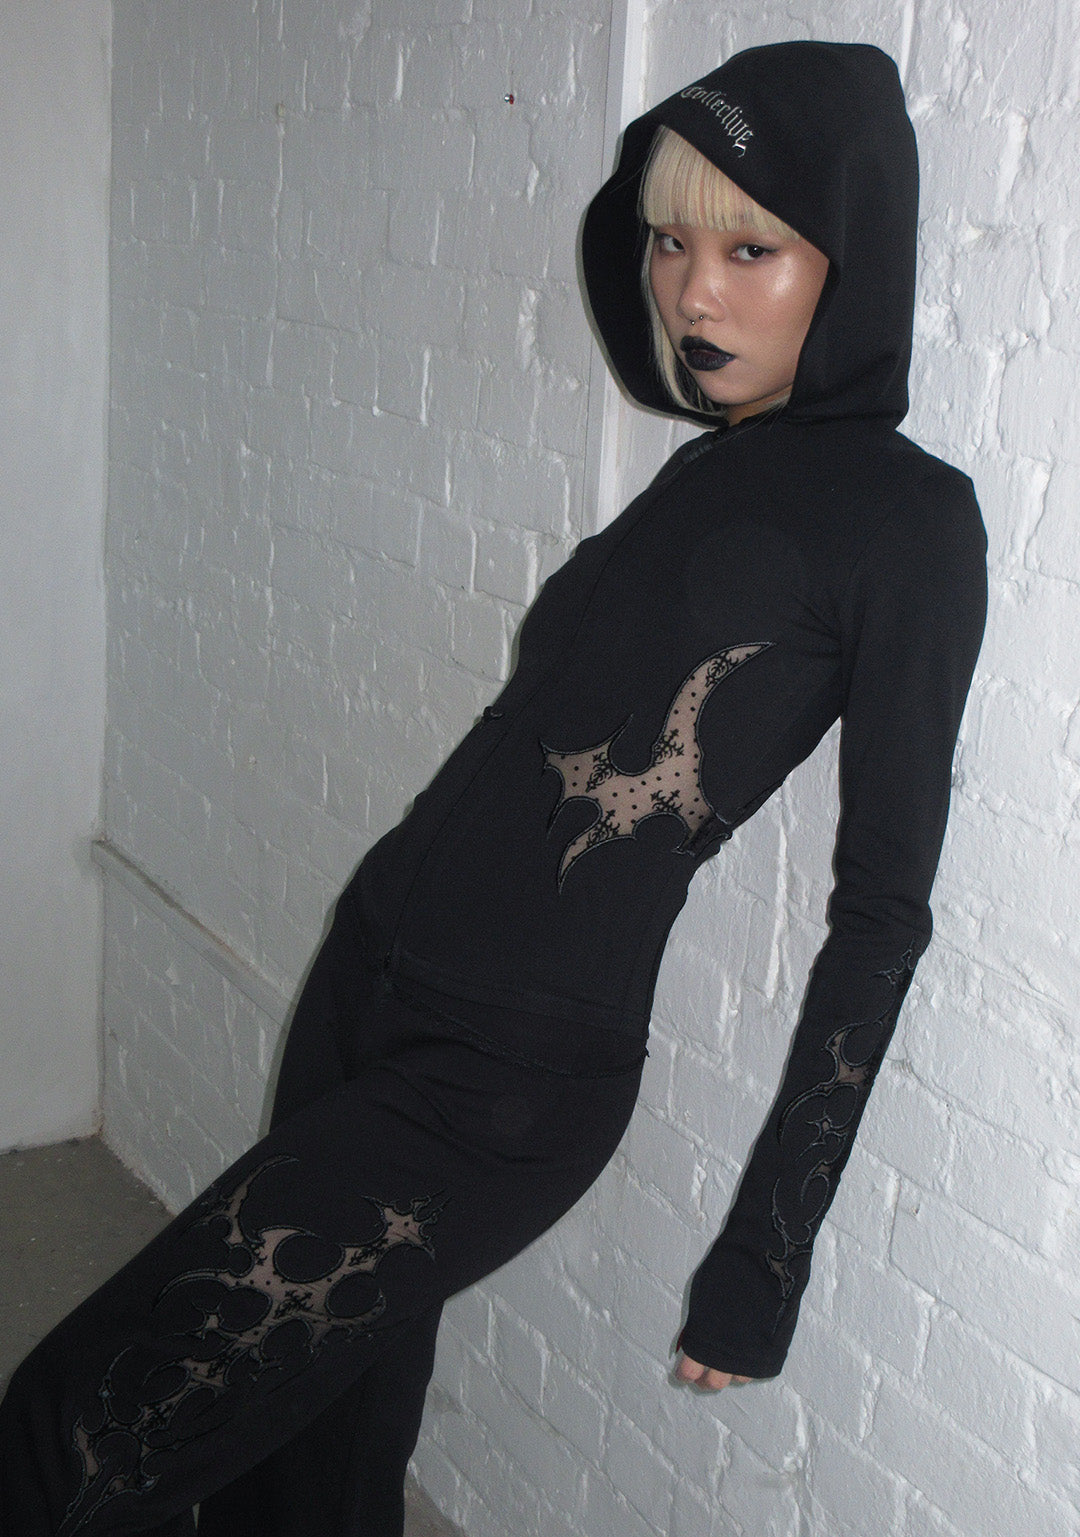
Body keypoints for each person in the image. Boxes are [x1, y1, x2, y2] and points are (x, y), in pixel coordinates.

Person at [0, 39, 986, 1537]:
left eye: (751, 249)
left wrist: (765, 1255)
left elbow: (883, 911)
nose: (694, 294)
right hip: (368, 977)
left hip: (500, 1081)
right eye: (669, 242)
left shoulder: (910, 523)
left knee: (74, 1431)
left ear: (855, 259)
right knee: (304, 1462)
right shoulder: (711, 469)